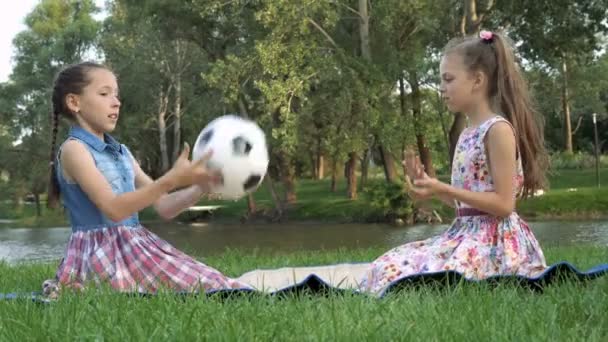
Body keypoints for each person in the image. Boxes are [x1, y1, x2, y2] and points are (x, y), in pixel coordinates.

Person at [360, 31, 549, 294]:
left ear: (477, 81)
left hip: (495, 245)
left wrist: (444, 188)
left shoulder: (498, 131)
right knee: (386, 265)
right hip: (463, 235)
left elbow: (504, 205)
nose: (441, 88)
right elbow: (467, 205)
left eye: (448, 79)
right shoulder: (467, 133)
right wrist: (433, 190)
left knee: (408, 276)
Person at [42, 62, 249, 297]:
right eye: (104, 93)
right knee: (195, 288)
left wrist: (199, 187)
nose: (116, 101)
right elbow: (114, 209)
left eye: (116, 95)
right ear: (74, 102)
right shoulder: (74, 150)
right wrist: (171, 178)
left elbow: (165, 206)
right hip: (98, 253)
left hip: (137, 245)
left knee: (211, 281)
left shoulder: (122, 152)